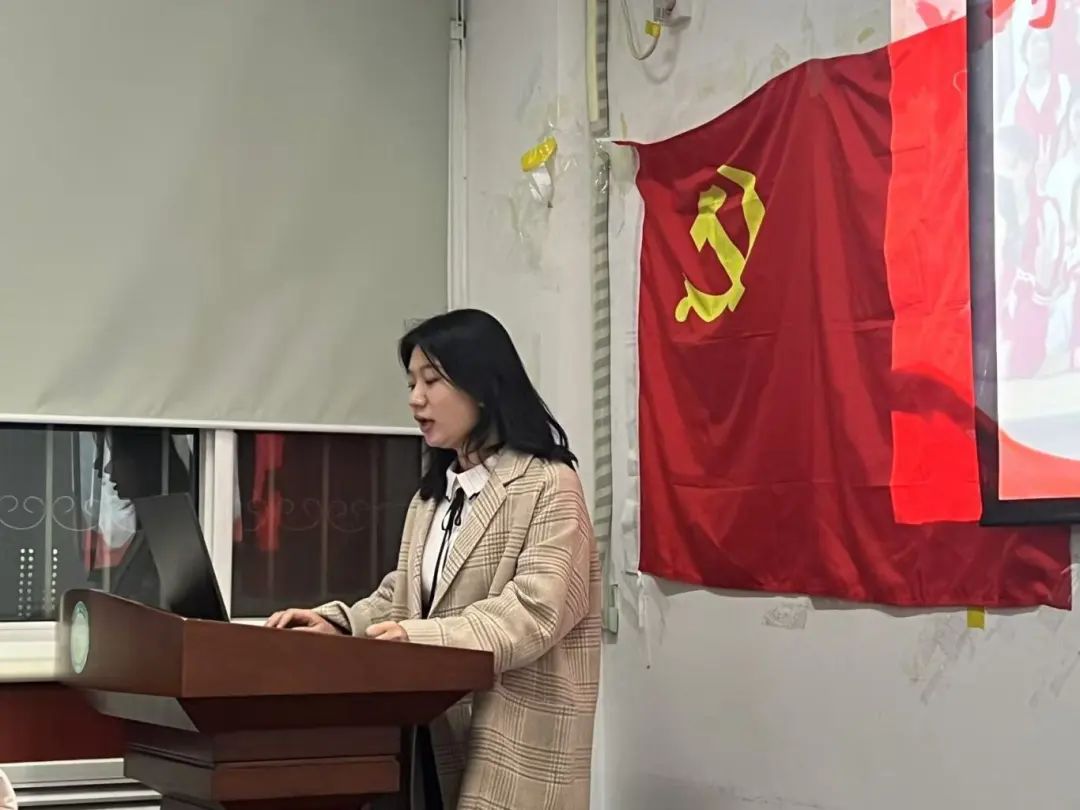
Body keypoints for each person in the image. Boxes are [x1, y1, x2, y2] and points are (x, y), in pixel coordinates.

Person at [266, 309, 601, 810]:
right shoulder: (432, 497)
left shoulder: (549, 484)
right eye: (410, 383)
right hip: (432, 736)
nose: (415, 399)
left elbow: (534, 612)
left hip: (513, 742)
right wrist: (341, 624)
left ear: (482, 386)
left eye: (431, 380)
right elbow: (407, 596)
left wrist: (417, 639)